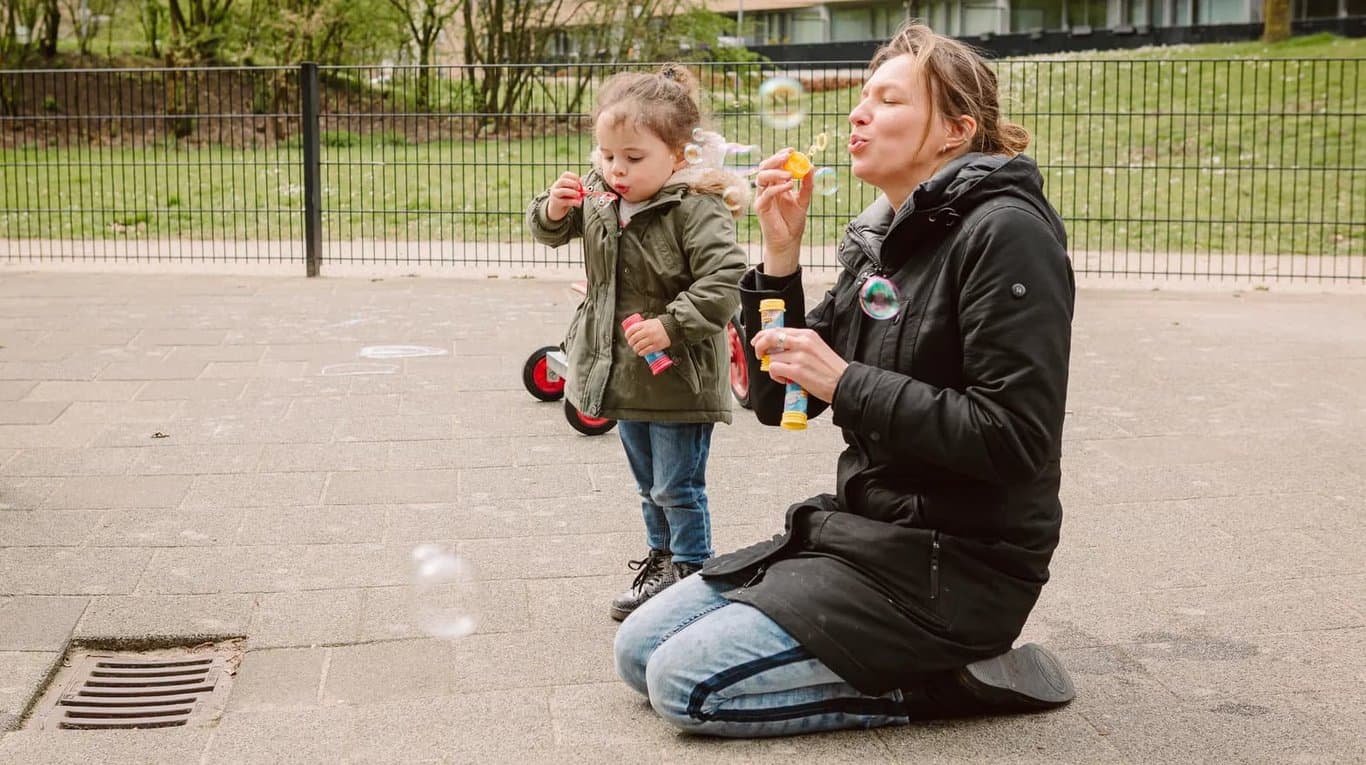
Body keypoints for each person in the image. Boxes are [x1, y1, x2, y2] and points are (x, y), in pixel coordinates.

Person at [613, 22, 1078, 737]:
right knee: (636, 649)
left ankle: (947, 680)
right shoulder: (883, 238)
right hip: (864, 534)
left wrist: (846, 380)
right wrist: (778, 256)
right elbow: (779, 400)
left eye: (887, 100)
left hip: (955, 566)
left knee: (685, 687)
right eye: (863, 97)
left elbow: (1014, 439)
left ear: (956, 130)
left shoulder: (1006, 234)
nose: (858, 112)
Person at [526, 64, 749, 622]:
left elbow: (724, 283)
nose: (614, 169)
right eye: (606, 155)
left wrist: (672, 324)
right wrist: (553, 209)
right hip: (622, 370)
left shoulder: (695, 206)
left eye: (632, 157)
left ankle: (694, 571)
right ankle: (663, 561)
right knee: (649, 486)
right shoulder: (601, 198)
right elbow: (551, 231)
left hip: (677, 377)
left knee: (678, 486)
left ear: (678, 155)